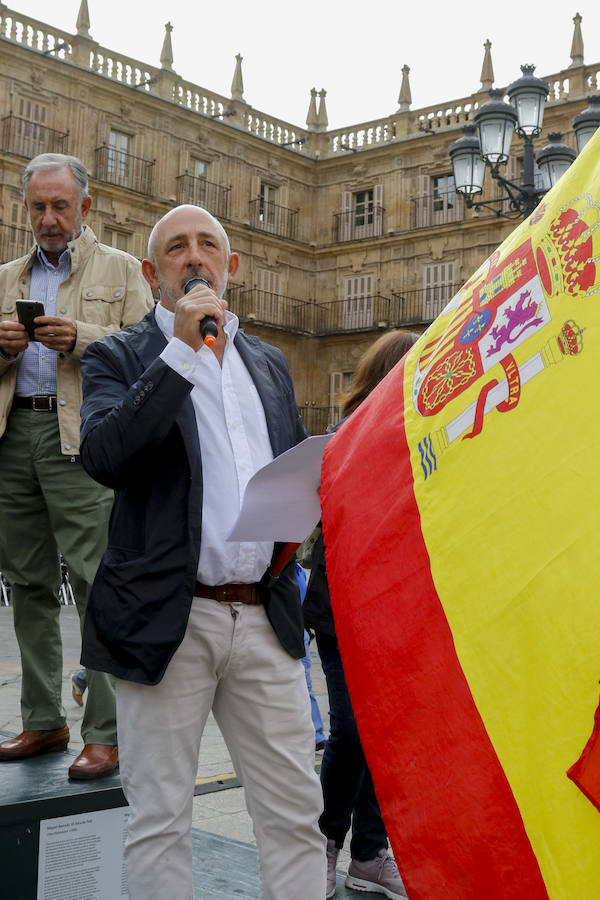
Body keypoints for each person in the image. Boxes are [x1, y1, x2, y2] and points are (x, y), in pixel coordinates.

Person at [78, 204, 326, 900]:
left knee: (295, 813)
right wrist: (182, 354)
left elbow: (292, 467)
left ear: (231, 266)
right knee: (160, 820)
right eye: (177, 248)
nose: (195, 257)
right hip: (166, 618)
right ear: (153, 274)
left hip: (264, 619)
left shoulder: (269, 364)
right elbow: (105, 454)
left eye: (208, 245)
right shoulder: (117, 356)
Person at [0, 153, 153, 779]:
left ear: (85, 207)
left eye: (60, 205)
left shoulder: (120, 269)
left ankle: (106, 732)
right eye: (38, 206)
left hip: (82, 441)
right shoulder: (6, 274)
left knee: (96, 584)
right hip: (14, 436)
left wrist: (81, 338)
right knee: (27, 585)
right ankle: (42, 720)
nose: (48, 218)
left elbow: (152, 353)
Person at [303, 330, 419, 900]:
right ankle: (327, 840)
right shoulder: (344, 442)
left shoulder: (429, 439)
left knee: (388, 734)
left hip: (399, 611)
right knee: (352, 729)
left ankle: (370, 853)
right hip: (343, 610)